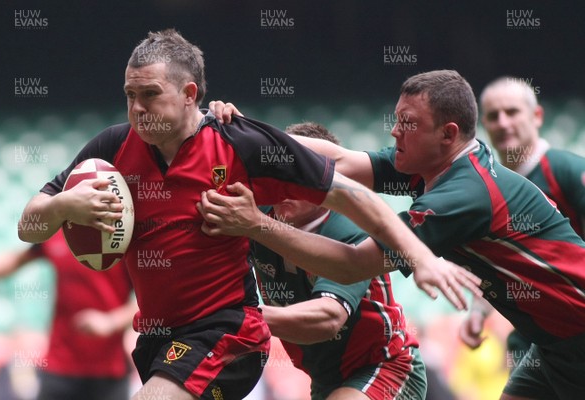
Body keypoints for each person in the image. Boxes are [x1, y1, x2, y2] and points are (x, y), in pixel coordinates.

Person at [17, 30, 478, 400]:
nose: (137, 108)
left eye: (150, 95)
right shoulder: (111, 149)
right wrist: (63, 206)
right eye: (129, 95)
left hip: (225, 333)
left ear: (189, 94)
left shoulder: (240, 142)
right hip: (159, 339)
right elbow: (27, 226)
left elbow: (351, 194)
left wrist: (422, 256)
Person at [202, 70, 585, 399]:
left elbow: (353, 265)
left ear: (447, 134)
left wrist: (256, 225)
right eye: (397, 118)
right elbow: (340, 160)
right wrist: (236, 132)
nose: (394, 130)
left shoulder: (462, 196)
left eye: (408, 123)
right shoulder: (432, 165)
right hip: (553, 343)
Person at [252, 122, 427, 400]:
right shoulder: (255, 213)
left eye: (295, 174)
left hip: (385, 365)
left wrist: (238, 317)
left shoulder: (349, 230)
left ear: (326, 181)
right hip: (324, 379)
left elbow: (328, 318)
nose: (281, 184)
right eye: (274, 172)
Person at [459, 76, 585, 369]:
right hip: (535, 337)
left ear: (537, 116)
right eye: (493, 116)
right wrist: (478, 312)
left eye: (512, 112)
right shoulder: (489, 190)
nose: (503, 123)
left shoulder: (566, 171)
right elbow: (501, 262)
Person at [0, 231, 135, 400]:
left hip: (108, 372)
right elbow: (15, 261)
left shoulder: (122, 237)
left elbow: (148, 302)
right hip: (58, 367)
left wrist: (111, 322)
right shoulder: (57, 234)